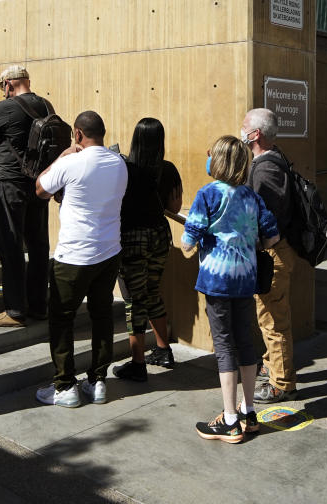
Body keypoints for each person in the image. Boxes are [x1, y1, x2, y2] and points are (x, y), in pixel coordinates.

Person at [183, 135, 279, 443]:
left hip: (217, 280)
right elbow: (272, 237)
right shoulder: (252, 196)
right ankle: (249, 412)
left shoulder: (208, 194)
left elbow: (189, 238)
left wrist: (195, 241)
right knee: (246, 342)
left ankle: (229, 419)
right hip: (245, 279)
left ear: (220, 161)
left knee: (224, 346)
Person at [34, 111, 128, 408]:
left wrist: (60, 157)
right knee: (102, 316)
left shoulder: (71, 162)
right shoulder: (119, 164)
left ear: (77, 134)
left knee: (62, 319)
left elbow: (40, 189)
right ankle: (98, 381)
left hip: (74, 256)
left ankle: (64, 386)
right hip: (109, 252)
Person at [0, 65, 54, 326]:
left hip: (11, 182)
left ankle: (15, 311)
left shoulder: (5, 108)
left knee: (10, 244)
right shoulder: (46, 105)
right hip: (40, 183)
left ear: (8, 85)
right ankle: (39, 306)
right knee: (38, 245)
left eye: (3, 89)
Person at [113, 118, 183, 382]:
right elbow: (175, 208)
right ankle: (163, 350)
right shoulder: (167, 169)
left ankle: (138, 362)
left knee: (134, 299)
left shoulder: (123, 168)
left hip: (132, 237)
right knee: (152, 292)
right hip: (159, 235)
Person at [240, 108, 298, 403]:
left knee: (273, 321)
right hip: (274, 252)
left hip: (272, 253)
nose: (242, 130)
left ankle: (282, 383)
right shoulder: (273, 160)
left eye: (244, 126)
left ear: (256, 134)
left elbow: (263, 217)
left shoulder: (265, 169)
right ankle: (272, 366)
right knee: (270, 317)